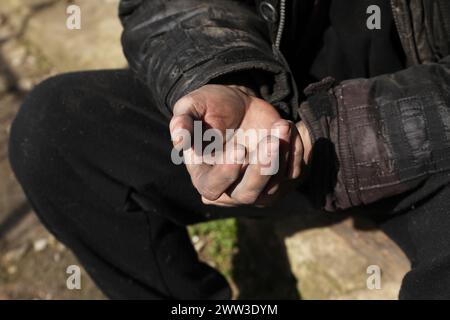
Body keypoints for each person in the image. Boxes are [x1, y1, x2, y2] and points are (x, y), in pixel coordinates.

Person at [8, 0, 450, 299]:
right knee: (55, 131)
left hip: (431, 150)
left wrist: (331, 131)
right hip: (269, 109)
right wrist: (218, 76)